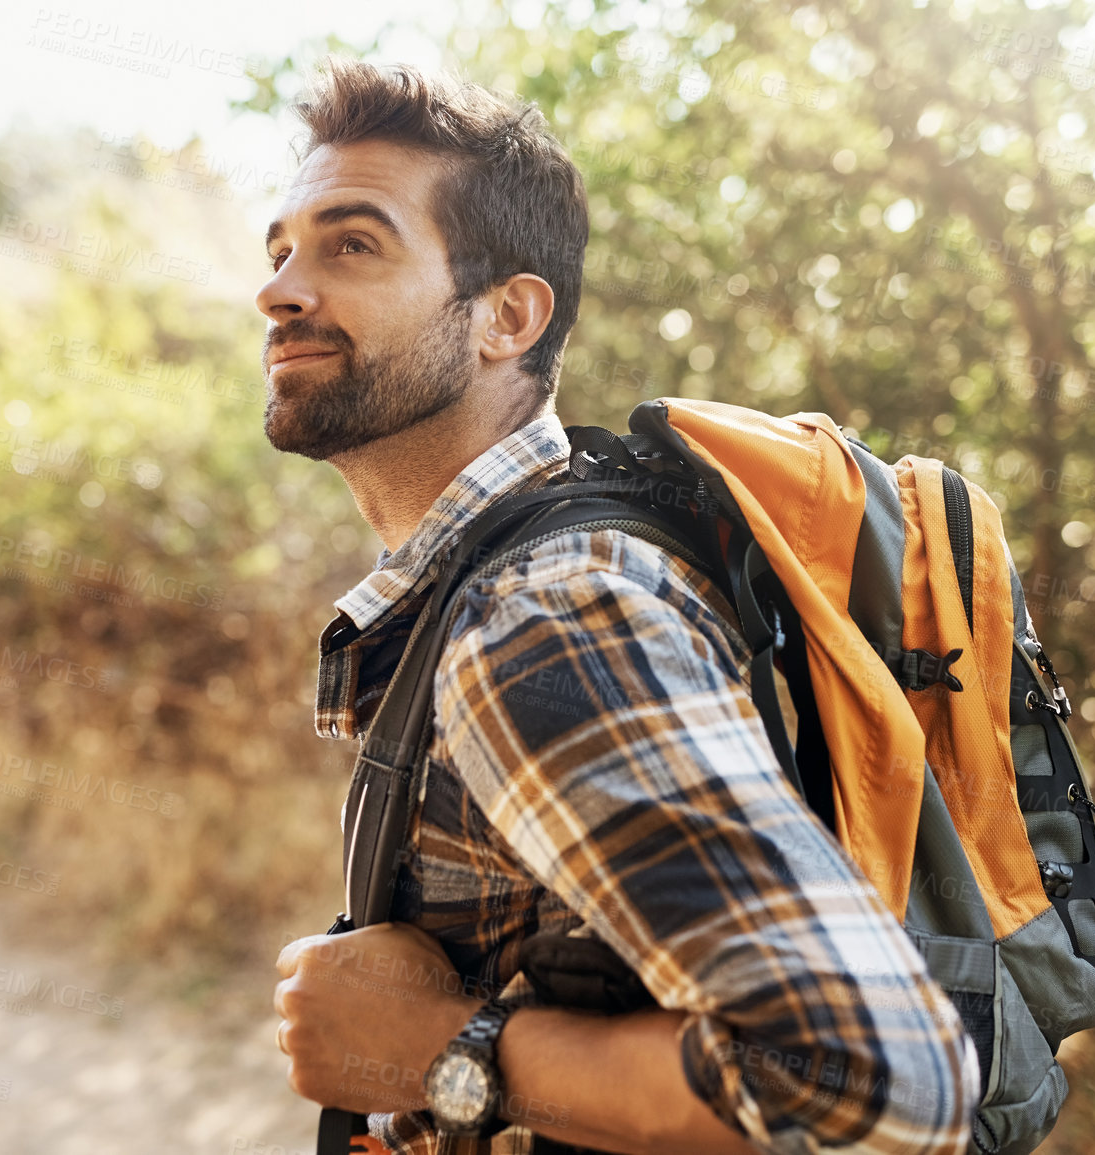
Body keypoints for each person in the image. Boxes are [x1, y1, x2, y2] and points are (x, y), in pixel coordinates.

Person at [261, 57, 980, 1155]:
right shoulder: (529, 571)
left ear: (508, 317)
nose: (280, 289)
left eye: (352, 244)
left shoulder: (547, 615)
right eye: (281, 250)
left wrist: (439, 1054)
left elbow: (879, 1088)